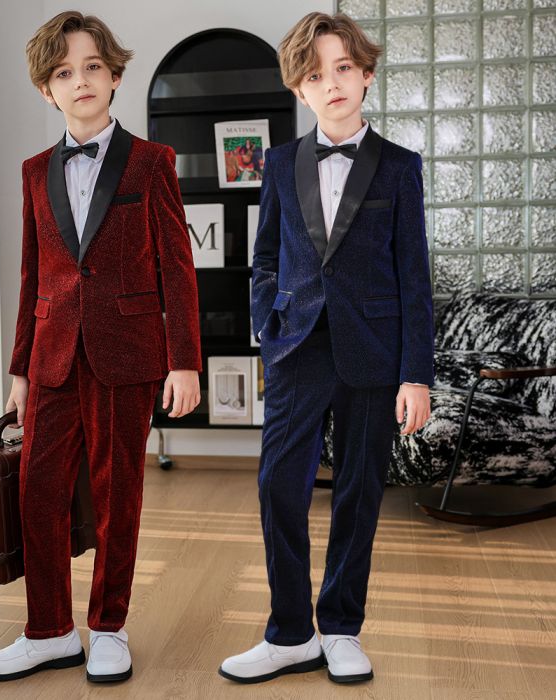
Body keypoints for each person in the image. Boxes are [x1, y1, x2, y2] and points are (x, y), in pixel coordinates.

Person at [0, 10, 201, 683]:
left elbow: (178, 268)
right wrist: (19, 370)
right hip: (51, 357)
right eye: (65, 73)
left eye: (93, 67)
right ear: (47, 90)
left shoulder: (152, 163)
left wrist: (184, 361)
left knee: (116, 495)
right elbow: (33, 276)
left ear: (115, 76)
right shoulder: (34, 171)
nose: (81, 81)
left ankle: (108, 628)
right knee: (38, 494)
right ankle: (48, 631)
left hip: (127, 354)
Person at [219, 11, 434, 685]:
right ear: (299, 89)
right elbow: (263, 258)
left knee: (359, 492)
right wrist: (267, 324)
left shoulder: (399, 167)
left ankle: (341, 628)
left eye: (344, 68)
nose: (332, 83)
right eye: (315, 75)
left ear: (366, 75)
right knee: (278, 486)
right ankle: (289, 634)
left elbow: (415, 277)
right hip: (296, 348)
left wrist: (416, 375)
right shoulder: (281, 163)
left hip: (373, 352)